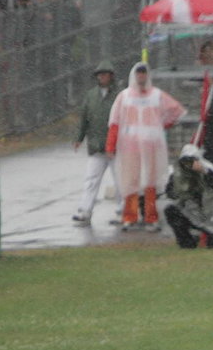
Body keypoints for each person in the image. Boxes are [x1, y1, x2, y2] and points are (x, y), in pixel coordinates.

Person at [106, 62, 185, 231]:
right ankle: (130, 216)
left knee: (150, 183)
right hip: (130, 147)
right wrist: (111, 145)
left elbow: (175, 111)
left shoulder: (156, 96)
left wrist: (160, 126)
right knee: (130, 183)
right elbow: (115, 121)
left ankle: (151, 217)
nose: (141, 77)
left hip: (151, 149)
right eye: (139, 74)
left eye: (144, 74)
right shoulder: (125, 96)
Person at [70, 61, 119, 224]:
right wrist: (79, 137)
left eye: (105, 74)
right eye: (100, 75)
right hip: (96, 146)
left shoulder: (120, 95)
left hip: (117, 147)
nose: (102, 77)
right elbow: (84, 118)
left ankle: (123, 210)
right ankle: (85, 210)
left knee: (120, 180)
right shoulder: (91, 96)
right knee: (91, 179)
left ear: (111, 76)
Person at [162, 143, 213, 248]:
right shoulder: (179, 175)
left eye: (191, 161)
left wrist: (203, 171)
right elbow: (171, 194)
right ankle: (187, 242)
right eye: (185, 162)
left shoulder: (210, 171)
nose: (189, 165)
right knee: (171, 210)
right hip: (195, 215)